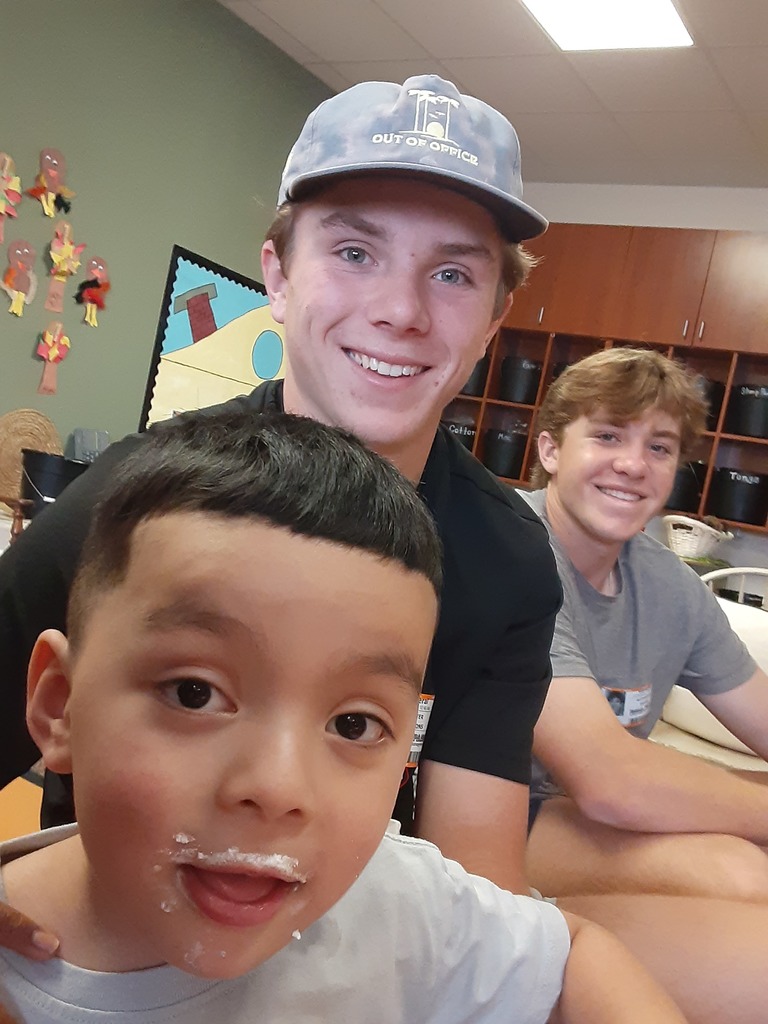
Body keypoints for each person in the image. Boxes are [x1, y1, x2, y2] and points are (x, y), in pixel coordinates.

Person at [0, 74, 562, 895]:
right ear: (279, 275)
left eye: (452, 275)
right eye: (354, 252)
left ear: (494, 319)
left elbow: (473, 879)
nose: (400, 310)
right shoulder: (142, 497)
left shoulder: (508, 563)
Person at [0, 408, 685, 1023]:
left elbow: (574, 958)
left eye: (353, 725)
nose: (278, 788)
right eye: (194, 693)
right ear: (59, 705)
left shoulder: (391, 901)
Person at [520, 347, 768, 903]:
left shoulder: (669, 586)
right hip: (480, 814)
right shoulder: (513, 553)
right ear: (552, 449)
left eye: (659, 447)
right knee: (738, 877)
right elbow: (612, 782)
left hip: (581, 814)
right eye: (608, 436)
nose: (634, 465)